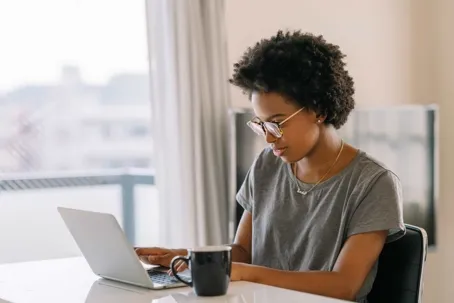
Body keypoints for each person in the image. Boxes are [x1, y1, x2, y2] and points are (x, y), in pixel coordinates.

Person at [136, 30, 405, 302]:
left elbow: (344, 285)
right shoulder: (267, 163)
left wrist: (244, 272)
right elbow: (243, 251)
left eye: (277, 122)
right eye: (260, 124)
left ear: (319, 109)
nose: (268, 136)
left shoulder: (373, 183)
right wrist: (189, 257)